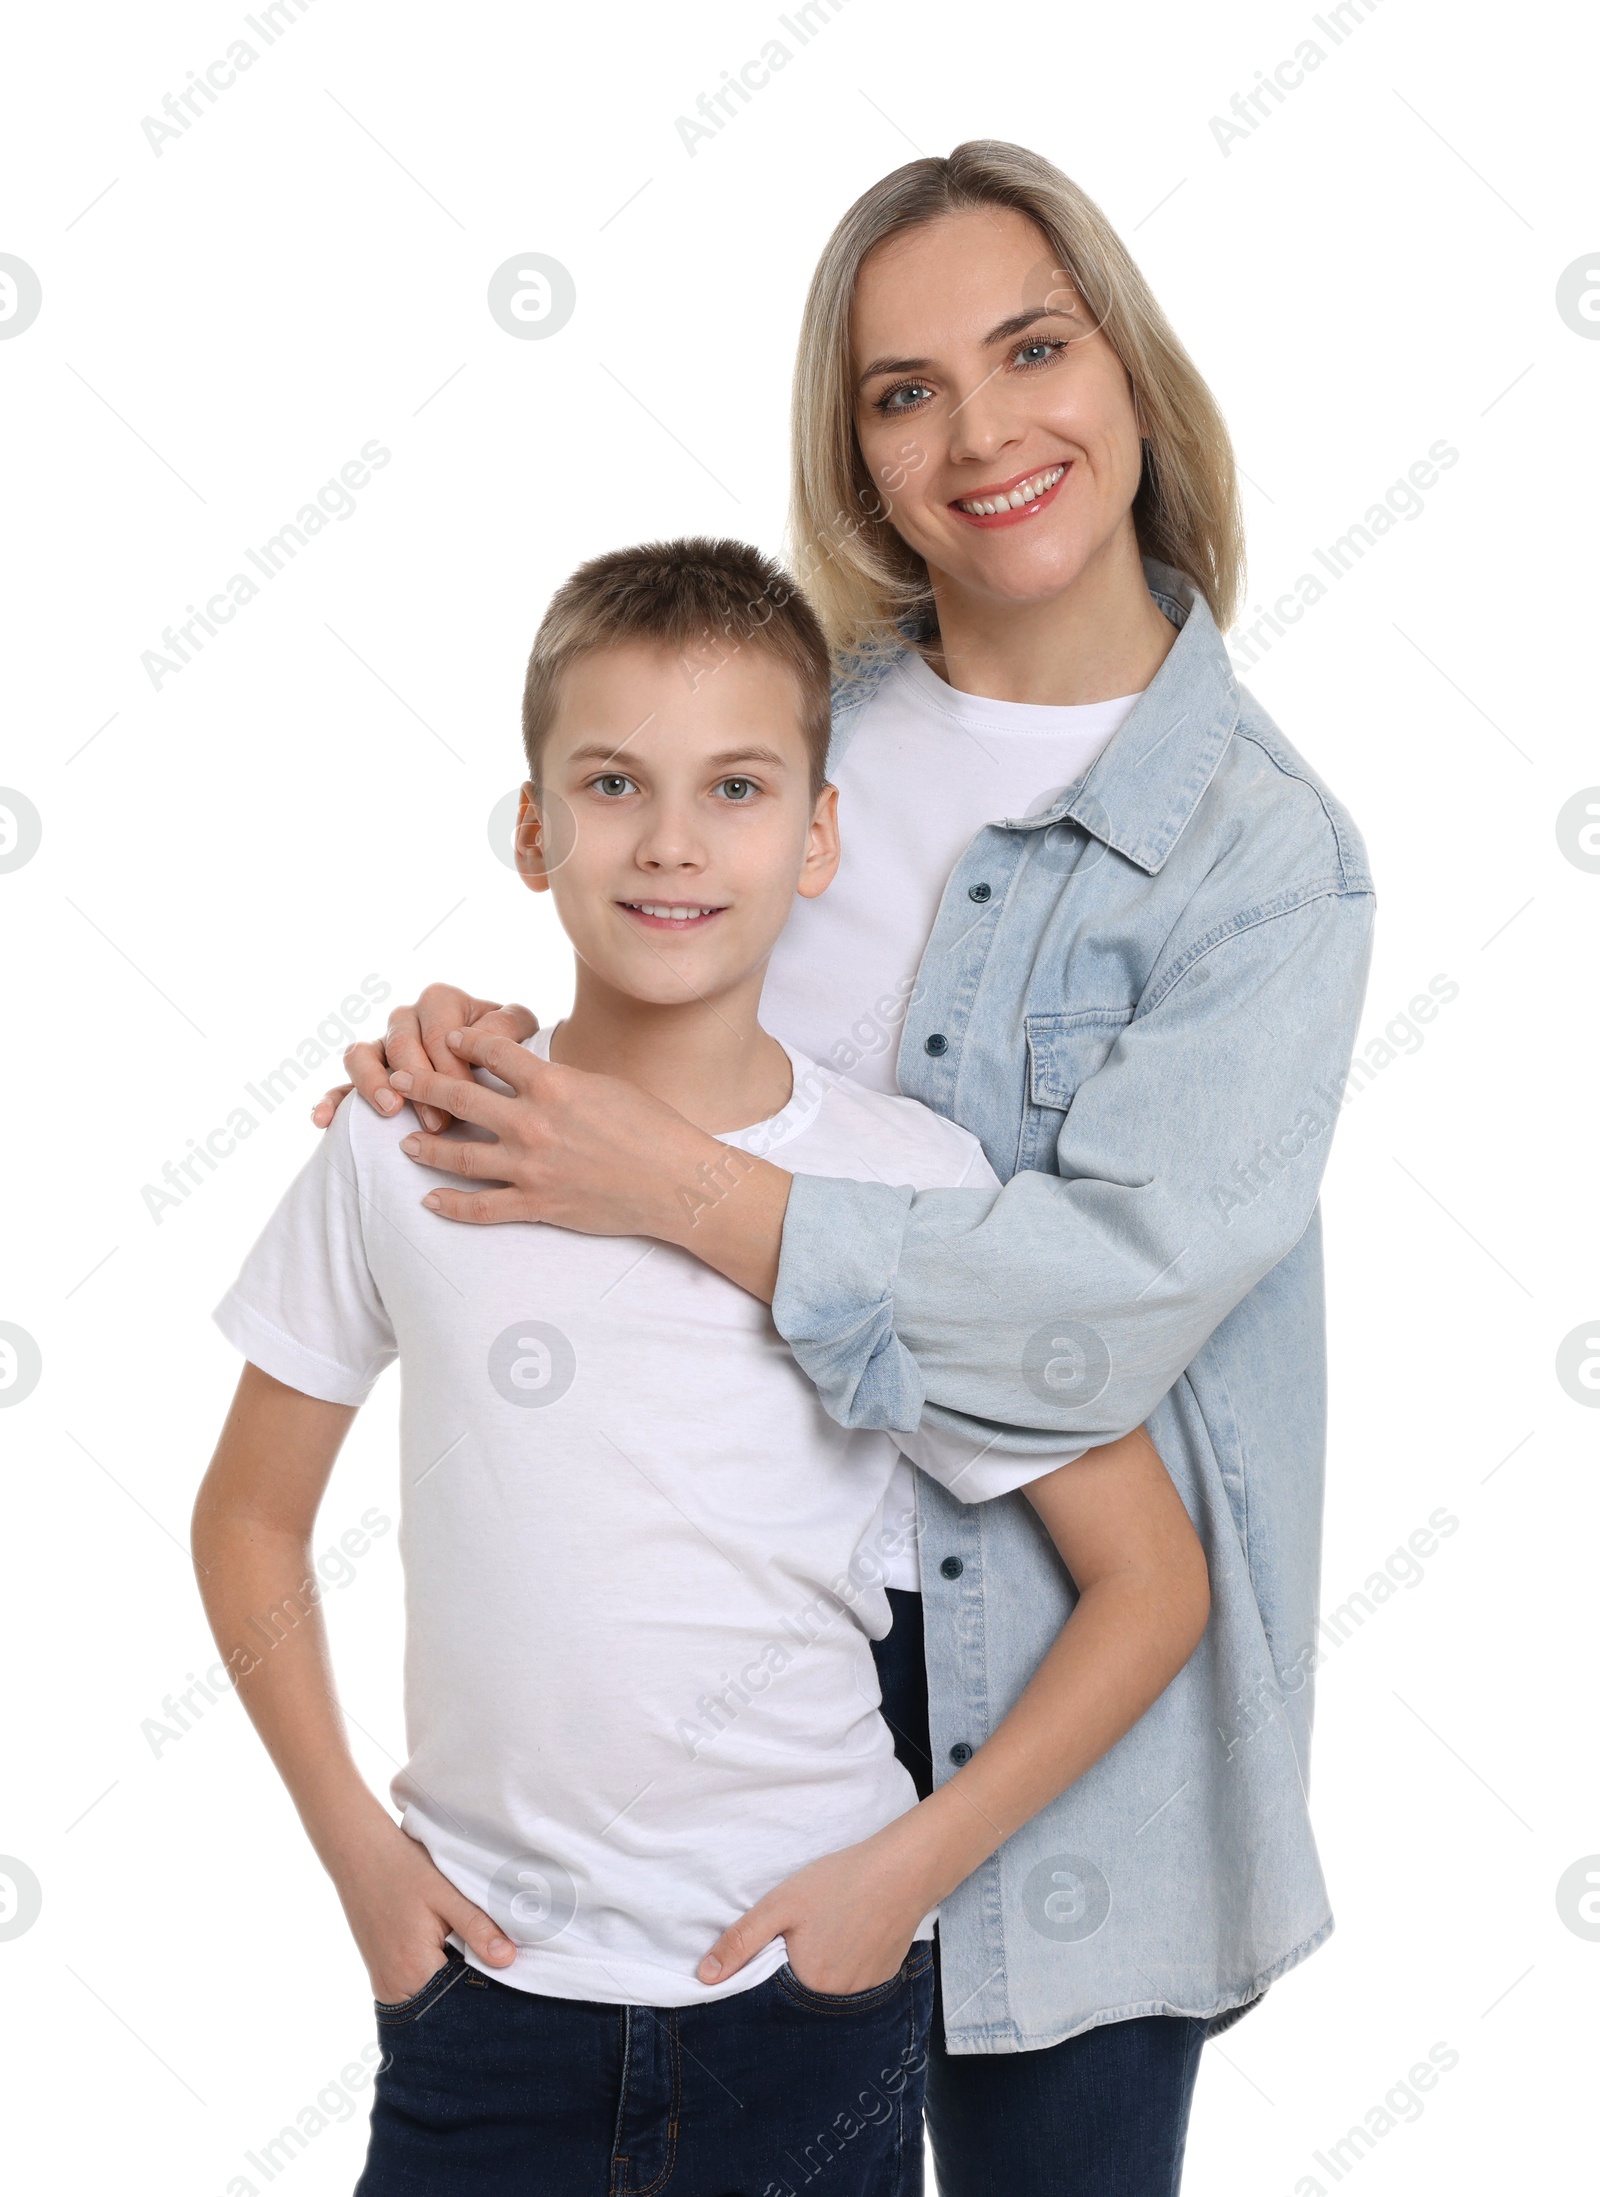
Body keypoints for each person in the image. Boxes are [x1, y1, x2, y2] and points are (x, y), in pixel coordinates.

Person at [318, 144, 1374, 2195]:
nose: (980, 433)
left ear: (1131, 377)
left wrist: (671, 1193)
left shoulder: (1260, 854)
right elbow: (660, 1019)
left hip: (1077, 1676)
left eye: (1030, 349)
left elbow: (1091, 1306)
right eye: (902, 391)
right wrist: (490, 1055)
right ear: (856, 454)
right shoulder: (800, 736)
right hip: (755, 1646)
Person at [196, 538, 1210, 2196]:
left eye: (737, 787)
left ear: (819, 836)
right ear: (535, 829)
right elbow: (246, 1517)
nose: (671, 841)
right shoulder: (404, 1146)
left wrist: (901, 1878)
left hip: (804, 2000)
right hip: (482, 1997)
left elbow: (1150, 1577)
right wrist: (361, 1868)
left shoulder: (910, 1185)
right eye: (612, 783)